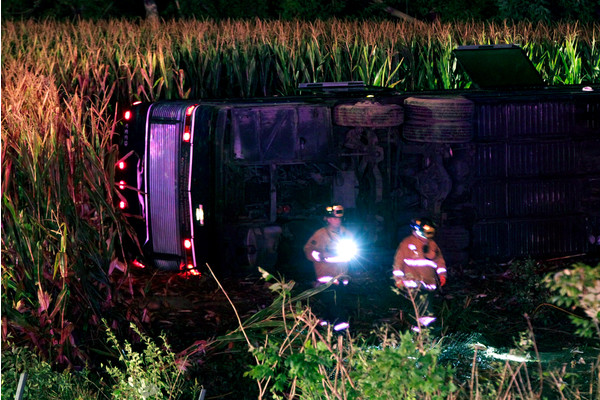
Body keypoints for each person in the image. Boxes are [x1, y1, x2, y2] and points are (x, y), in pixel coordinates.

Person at [304, 204, 357, 331]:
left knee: (335, 305)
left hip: (342, 276)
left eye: (338, 218)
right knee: (335, 305)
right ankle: (341, 332)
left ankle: (327, 327)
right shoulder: (321, 234)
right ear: (327, 219)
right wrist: (319, 256)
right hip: (326, 276)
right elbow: (308, 249)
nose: (336, 221)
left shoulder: (347, 234)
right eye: (333, 218)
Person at [392, 218, 446, 331]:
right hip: (413, 282)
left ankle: (420, 331)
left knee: (424, 305)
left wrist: (442, 275)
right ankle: (425, 330)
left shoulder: (432, 244)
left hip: (429, 283)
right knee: (423, 305)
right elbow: (398, 263)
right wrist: (399, 280)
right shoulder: (407, 243)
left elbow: (439, 261)